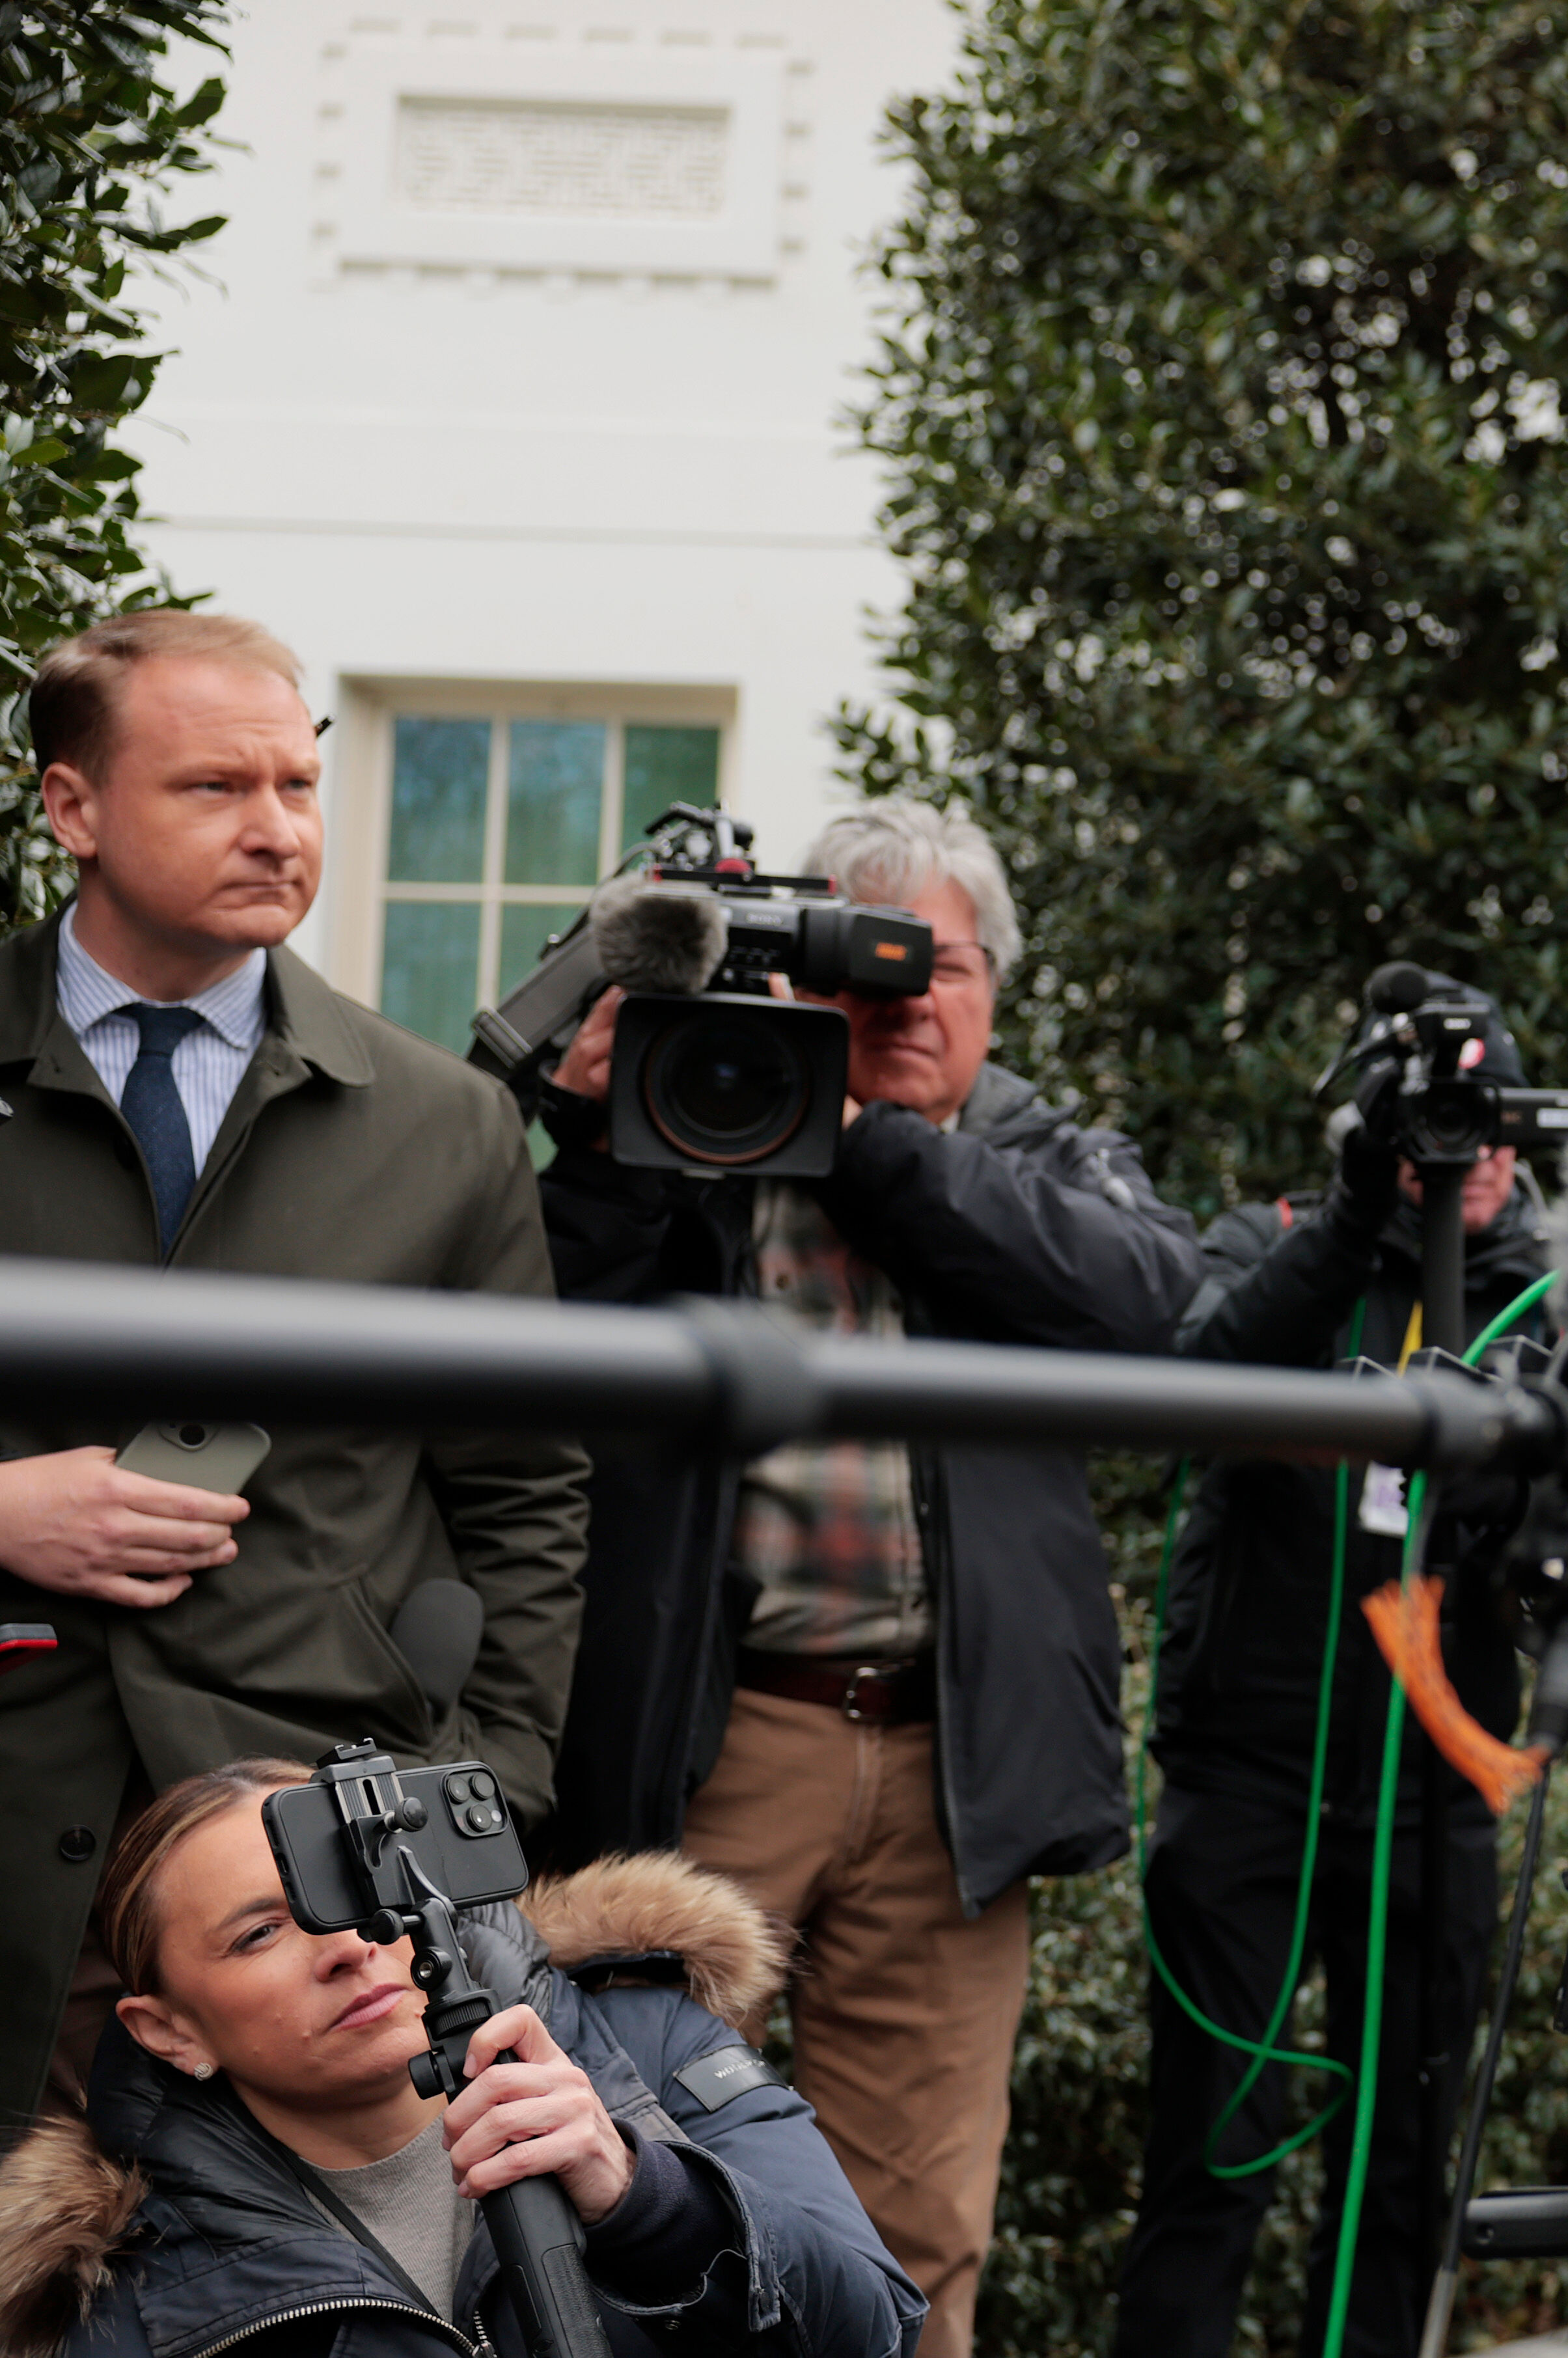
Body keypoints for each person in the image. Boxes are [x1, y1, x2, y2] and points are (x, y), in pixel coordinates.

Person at [535, 798, 1202, 2358]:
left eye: (937, 969)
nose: (901, 1006)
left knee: (919, 2223)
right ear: (786, 973)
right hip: (716, 1751)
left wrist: (861, 1141)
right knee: (632, 2177)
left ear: (995, 992)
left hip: (946, 1769)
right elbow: (538, 1331)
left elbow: (1144, 1305)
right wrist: (603, 1138)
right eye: (859, 970)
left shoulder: (1038, 1157)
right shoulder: (691, 1136)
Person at [0, 612, 590, 2135]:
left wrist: (491, 1790)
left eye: (298, 785)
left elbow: (525, 1492)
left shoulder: (446, 1126)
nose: (277, 830)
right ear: (72, 807)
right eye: (215, 787)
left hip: (330, 1862)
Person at [1114, 976, 1550, 2358]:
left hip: (1435, 1794)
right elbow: (1207, 1375)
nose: (1469, 1155)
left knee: (1401, 2174)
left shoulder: (1553, 1300)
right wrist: (1358, 1211)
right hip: (1247, 1781)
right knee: (1209, 2156)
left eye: (1491, 1124)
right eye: (1439, 1125)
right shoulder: (1283, 1243)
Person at [0, 1758, 922, 2357]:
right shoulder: (110, 2273)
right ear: (170, 2033)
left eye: (350, 1889)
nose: (346, 1944)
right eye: (260, 1933)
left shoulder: (647, 2048)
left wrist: (644, 2199)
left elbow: (873, 2333)